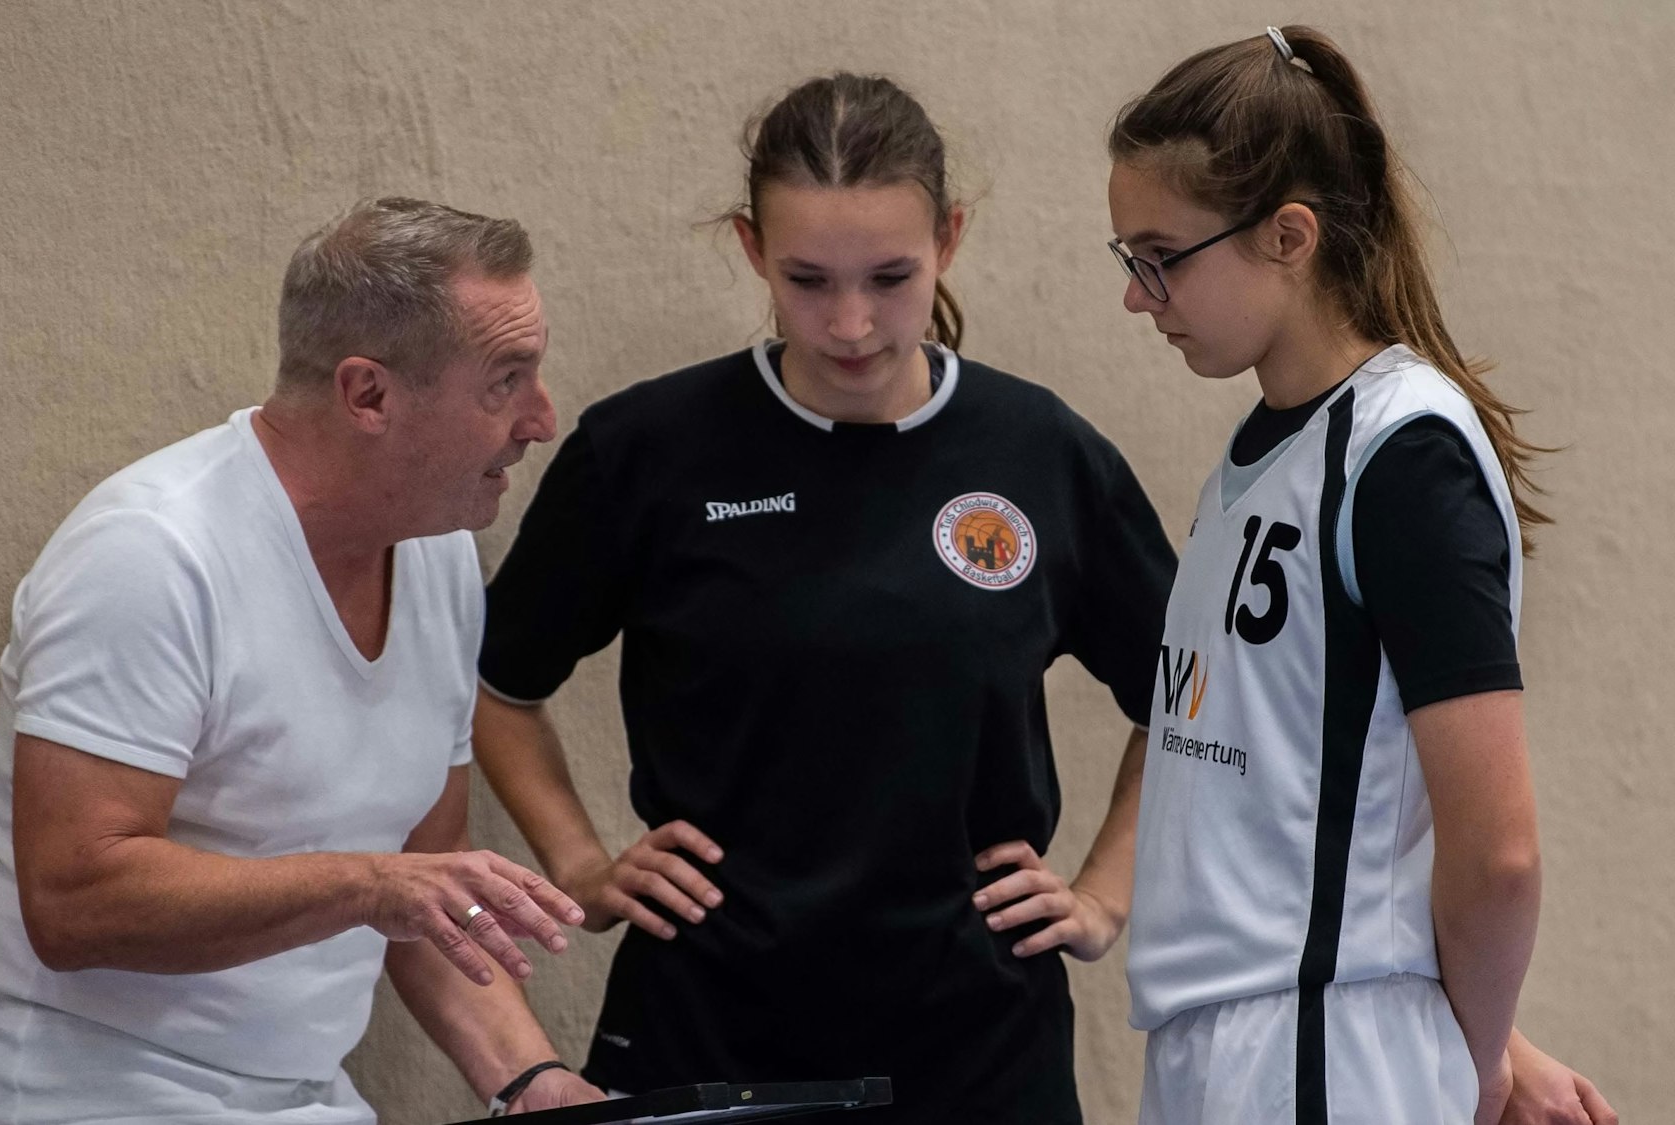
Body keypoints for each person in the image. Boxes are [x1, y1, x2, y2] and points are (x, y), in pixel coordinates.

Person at [471, 74, 1177, 1124]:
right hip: (707, 1028)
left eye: (889, 276)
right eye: (807, 279)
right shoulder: (646, 452)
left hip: (976, 1045)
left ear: (948, 235)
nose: (850, 324)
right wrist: (581, 862)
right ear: (752, 249)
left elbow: (1187, 699)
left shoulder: (1040, 455)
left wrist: (1101, 896)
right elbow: (495, 687)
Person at [0, 197, 607, 1123]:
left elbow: (431, 878)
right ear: (367, 394)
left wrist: (535, 1080)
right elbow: (74, 899)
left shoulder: (439, 549)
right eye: (505, 380)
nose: (541, 418)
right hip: (89, 1088)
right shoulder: (151, 554)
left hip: (304, 1095)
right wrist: (368, 883)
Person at [1105, 27, 1617, 1125]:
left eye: (1161, 256)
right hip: (1229, 1044)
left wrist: (1475, 1053)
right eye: (1128, 261)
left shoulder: (1401, 455)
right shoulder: (1257, 459)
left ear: (1287, 235)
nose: (1138, 297)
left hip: (1311, 1056)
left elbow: (1499, 852)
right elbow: (1307, 828)